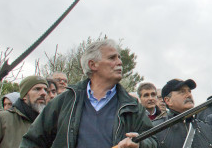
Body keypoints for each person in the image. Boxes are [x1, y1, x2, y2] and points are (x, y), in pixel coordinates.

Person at [21, 39, 157, 147]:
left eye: (119, 57)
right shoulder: (65, 101)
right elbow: (32, 141)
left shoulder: (132, 106)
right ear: (93, 65)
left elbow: (153, 141)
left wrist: (140, 145)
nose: (120, 62)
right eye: (112, 58)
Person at [0, 75, 48, 148]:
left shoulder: (49, 123)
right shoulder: (1, 119)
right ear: (24, 95)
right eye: (37, 89)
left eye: (45, 90)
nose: (44, 93)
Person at [153, 79, 212, 147]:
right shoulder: (156, 129)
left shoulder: (206, 128)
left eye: (189, 91)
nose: (189, 95)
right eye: (182, 92)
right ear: (168, 101)